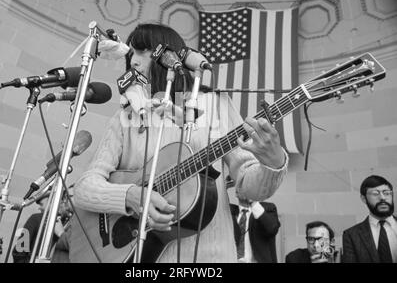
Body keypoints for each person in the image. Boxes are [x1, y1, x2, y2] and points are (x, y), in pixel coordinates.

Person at [71, 22, 288, 263]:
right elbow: (83, 189)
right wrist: (128, 195)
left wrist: (273, 162)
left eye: (142, 51)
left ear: (167, 55)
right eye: (131, 52)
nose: (133, 61)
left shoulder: (215, 104)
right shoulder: (126, 116)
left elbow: (250, 186)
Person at [342, 175, 396, 263]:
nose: (382, 197)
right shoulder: (351, 235)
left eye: (386, 193)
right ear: (363, 199)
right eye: (375, 193)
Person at [12, 190, 65, 263]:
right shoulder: (36, 219)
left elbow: (19, 250)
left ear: (53, 202)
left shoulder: (36, 219)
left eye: (41, 204)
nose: (39, 208)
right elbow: (20, 250)